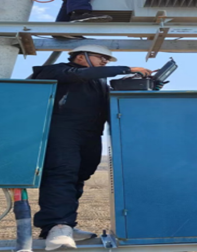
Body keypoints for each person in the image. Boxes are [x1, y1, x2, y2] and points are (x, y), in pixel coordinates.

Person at [30, 45, 152, 251]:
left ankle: (65, 225)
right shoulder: (57, 70)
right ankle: (57, 226)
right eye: (101, 58)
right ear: (80, 57)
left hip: (91, 134)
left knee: (79, 176)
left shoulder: (98, 82)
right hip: (63, 131)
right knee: (62, 174)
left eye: (107, 59)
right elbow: (78, 75)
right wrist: (126, 69)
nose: (105, 62)